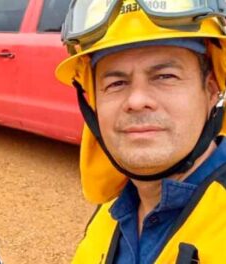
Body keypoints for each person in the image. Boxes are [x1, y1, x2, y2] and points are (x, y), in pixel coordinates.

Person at [56, 0, 226, 262]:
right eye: (116, 83)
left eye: (165, 76)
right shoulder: (109, 215)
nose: (136, 101)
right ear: (93, 104)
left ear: (212, 89)